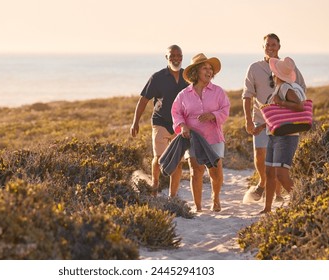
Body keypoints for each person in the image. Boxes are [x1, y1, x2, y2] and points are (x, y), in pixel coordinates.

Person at [242, 33, 306, 202]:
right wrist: (248, 119)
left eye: (273, 45)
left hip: (282, 121)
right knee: (260, 155)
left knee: (277, 160)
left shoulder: (287, 67)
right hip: (261, 119)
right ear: (263, 47)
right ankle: (263, 183)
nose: (270, 47)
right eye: (267, 45)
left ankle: (277, 194)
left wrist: (287, 104)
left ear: (279, 46)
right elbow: (247, 95)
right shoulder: (254, 68)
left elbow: (301, 89)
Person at [171, 53, 230, 212]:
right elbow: (176, 112)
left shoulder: (218, 92)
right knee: (196, 171)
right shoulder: (183, 95)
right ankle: (198, 206)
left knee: (215, 171)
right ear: (196, 72)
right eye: (205, 68)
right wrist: (182, 126)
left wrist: (213, 115)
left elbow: (226, 109)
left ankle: (215, 198)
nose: (209, 71)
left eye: (211, 69)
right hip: (193, 139)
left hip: (214, 137)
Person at [130, 45, 189, 197]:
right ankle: (155, 187)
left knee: (178, 161)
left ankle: (173, 196)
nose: (176, 58)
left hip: (180, 124)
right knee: (160, 157)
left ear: (182, 56)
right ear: (166, 58)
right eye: (172, 56)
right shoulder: (157, 77)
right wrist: (135, 122)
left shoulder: (188, 77)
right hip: (160, 121)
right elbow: (143, 101)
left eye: (178, 55)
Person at [259, 57, 307, 214]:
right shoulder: (281, 88)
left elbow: (299, 106)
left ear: (275, 73)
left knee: (281, 174)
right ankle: (267, 208)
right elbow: (277, 115)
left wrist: (280, 103)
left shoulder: (286, 88)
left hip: (287, 136)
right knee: (269, 173)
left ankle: (302, 204)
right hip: (275, 135)